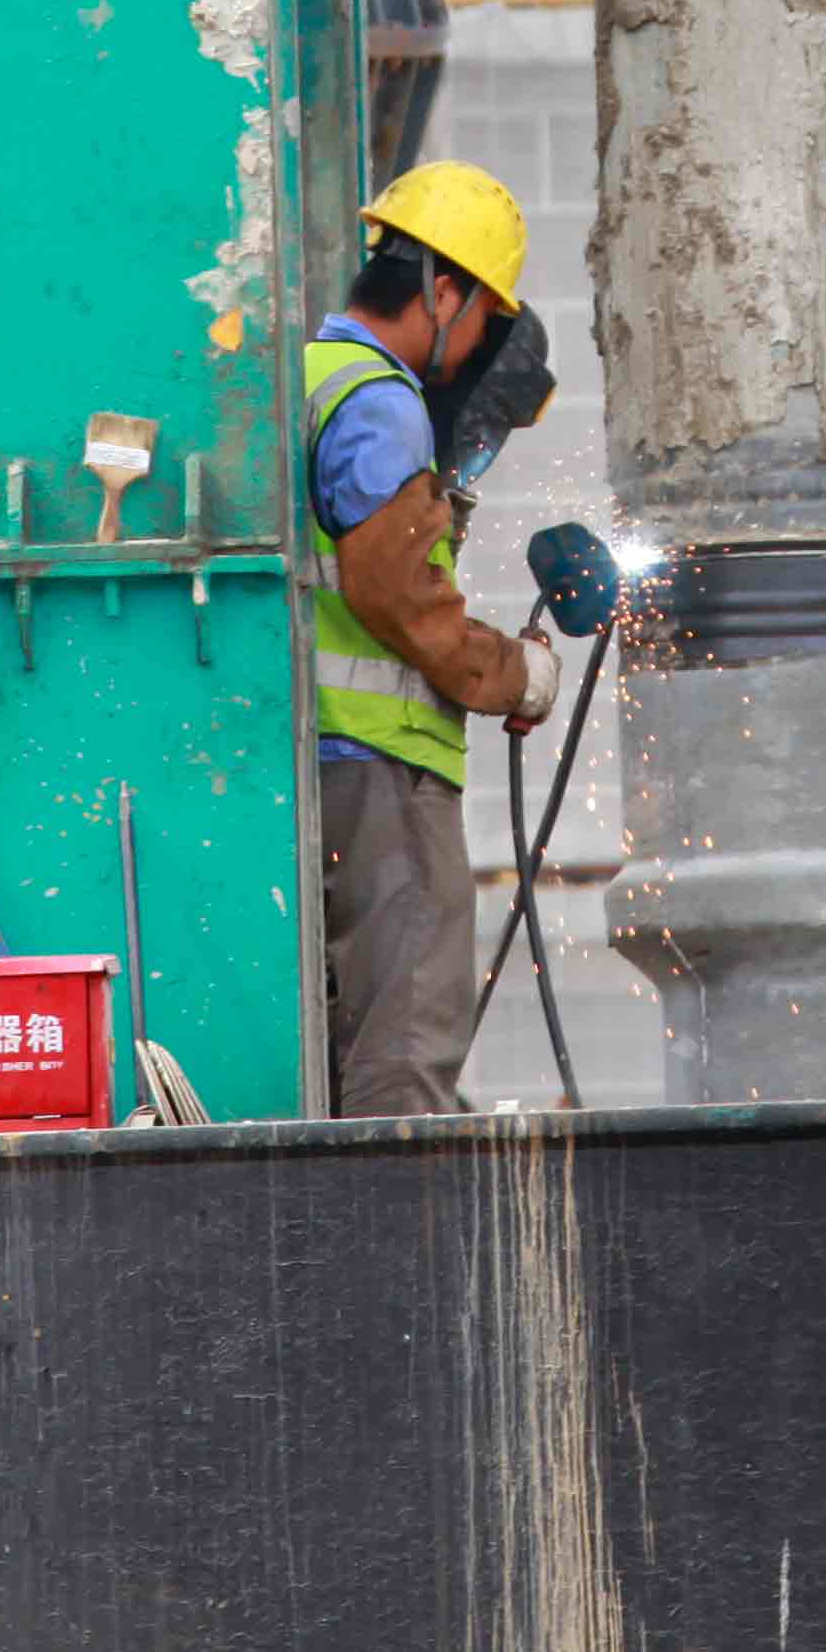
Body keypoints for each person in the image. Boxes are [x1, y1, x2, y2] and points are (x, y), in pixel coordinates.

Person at [304, 160, 563, 1112]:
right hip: (379, 765)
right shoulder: (381, 398)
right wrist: (512, 675)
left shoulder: (310, 372)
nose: (477, 347)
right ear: (443, 290)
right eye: (484, 319)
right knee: (405, 1045)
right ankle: (396, 1207)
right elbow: (398, 594)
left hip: (317, 759)